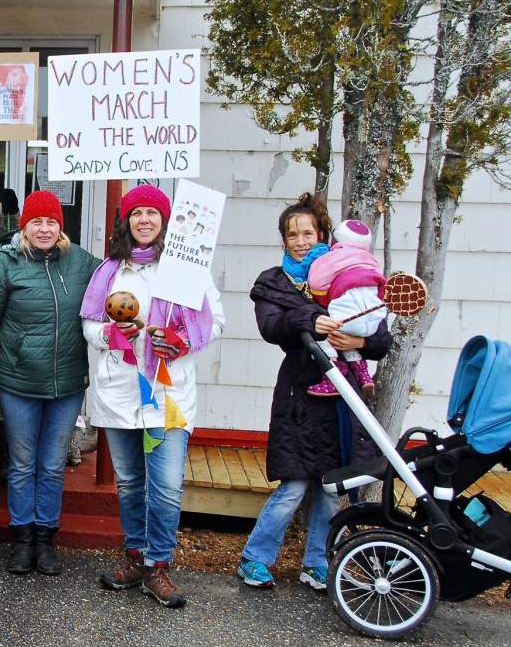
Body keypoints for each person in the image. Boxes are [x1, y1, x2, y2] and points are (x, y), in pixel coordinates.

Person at [237, 194, 391, 591]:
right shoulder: (275, 281)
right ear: (284, 240)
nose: (301, 240)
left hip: (344, 400)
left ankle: (318, 563)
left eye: (308, 232)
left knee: (330, 489)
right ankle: (255, 558)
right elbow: (272, 327)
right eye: (293, 234)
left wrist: (353, 339)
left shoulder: (349, 272)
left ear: (323, 233)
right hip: (300, 397)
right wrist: (314, 320)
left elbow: (380, 338)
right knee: (293, 486)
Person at [81, 184, 225, 608]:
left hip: (168, 395)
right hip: (120, 392)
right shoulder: (109, 271)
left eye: (153, 213)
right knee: (129, 484)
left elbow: (215, 321)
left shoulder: (185, 269)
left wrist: (181, 341)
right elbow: (90, 326)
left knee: (164, 486)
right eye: (136, 213)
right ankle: (135, 556)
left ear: (164, 222)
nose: (144, 220)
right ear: (125, 221)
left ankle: (158, 565)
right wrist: (113, 334)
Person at [0, 190, 100, 576]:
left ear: (61, 226)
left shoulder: (82, 264)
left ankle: (46, 539)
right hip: (17, 382)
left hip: (67, 384)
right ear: (24, 226)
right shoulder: (6, 264)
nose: (44, 229)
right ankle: (22, 539)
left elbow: (119, 280)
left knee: (53, 464)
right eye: (36, 222)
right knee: (23, 464)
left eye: (51, 222)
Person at [306, 219, 387, 398]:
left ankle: (335, 373)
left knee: (322, 334)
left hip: (344, 315)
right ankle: (362, 372)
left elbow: (317, 282)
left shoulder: (331, 258)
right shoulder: (371, 261)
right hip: (371, 318)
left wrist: (321, 298)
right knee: (348, 336)